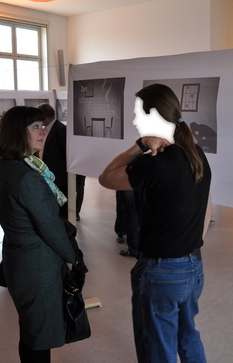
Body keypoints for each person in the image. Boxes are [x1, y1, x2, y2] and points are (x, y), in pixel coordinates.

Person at [99, 83, 211, 363]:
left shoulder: (154, 164)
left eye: (138, 113)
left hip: (162, 272)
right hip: (193, 266)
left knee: (156, 352)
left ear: (154, 115)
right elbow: (206, 206)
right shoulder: (196, 153)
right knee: (188, 336)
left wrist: (139, 145)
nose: (135, 120)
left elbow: (106, 177)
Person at [0, 106, 78, 363]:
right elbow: (49, 224)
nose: (42, 132)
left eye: (42, 126)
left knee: (31, 331)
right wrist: (70, 255)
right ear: (18, 132)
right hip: (36, 265)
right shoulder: (26, 175)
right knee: (39, 337)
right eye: (35, 127)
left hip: (19, 258)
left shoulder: (8, 166)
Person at [37, 103, 86, 221]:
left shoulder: (60, 130)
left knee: (63, 209)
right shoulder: (50, 129)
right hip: (53, 176)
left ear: (44, 116)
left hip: (60, 177)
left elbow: (68, 153)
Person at [115, 190, 140, 258]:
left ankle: (134, 249)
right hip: (142, 181)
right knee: (140, 208)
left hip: (125, 182)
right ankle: (141, 244)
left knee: (129, 211)